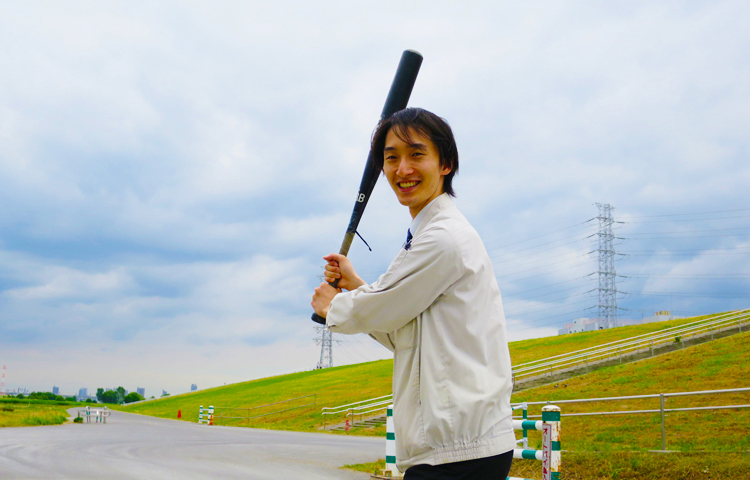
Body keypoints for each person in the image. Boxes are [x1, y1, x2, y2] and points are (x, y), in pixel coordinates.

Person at [311, 108, 514, 479]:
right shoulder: (429, 234)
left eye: (416, 154)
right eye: (391, 158)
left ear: (445, 164)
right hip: (453, 450)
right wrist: (355, 286)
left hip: (457, 453)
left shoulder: (442, 238)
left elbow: (380, 308)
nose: (402, 169)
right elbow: (401, 332)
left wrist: (334, 306)